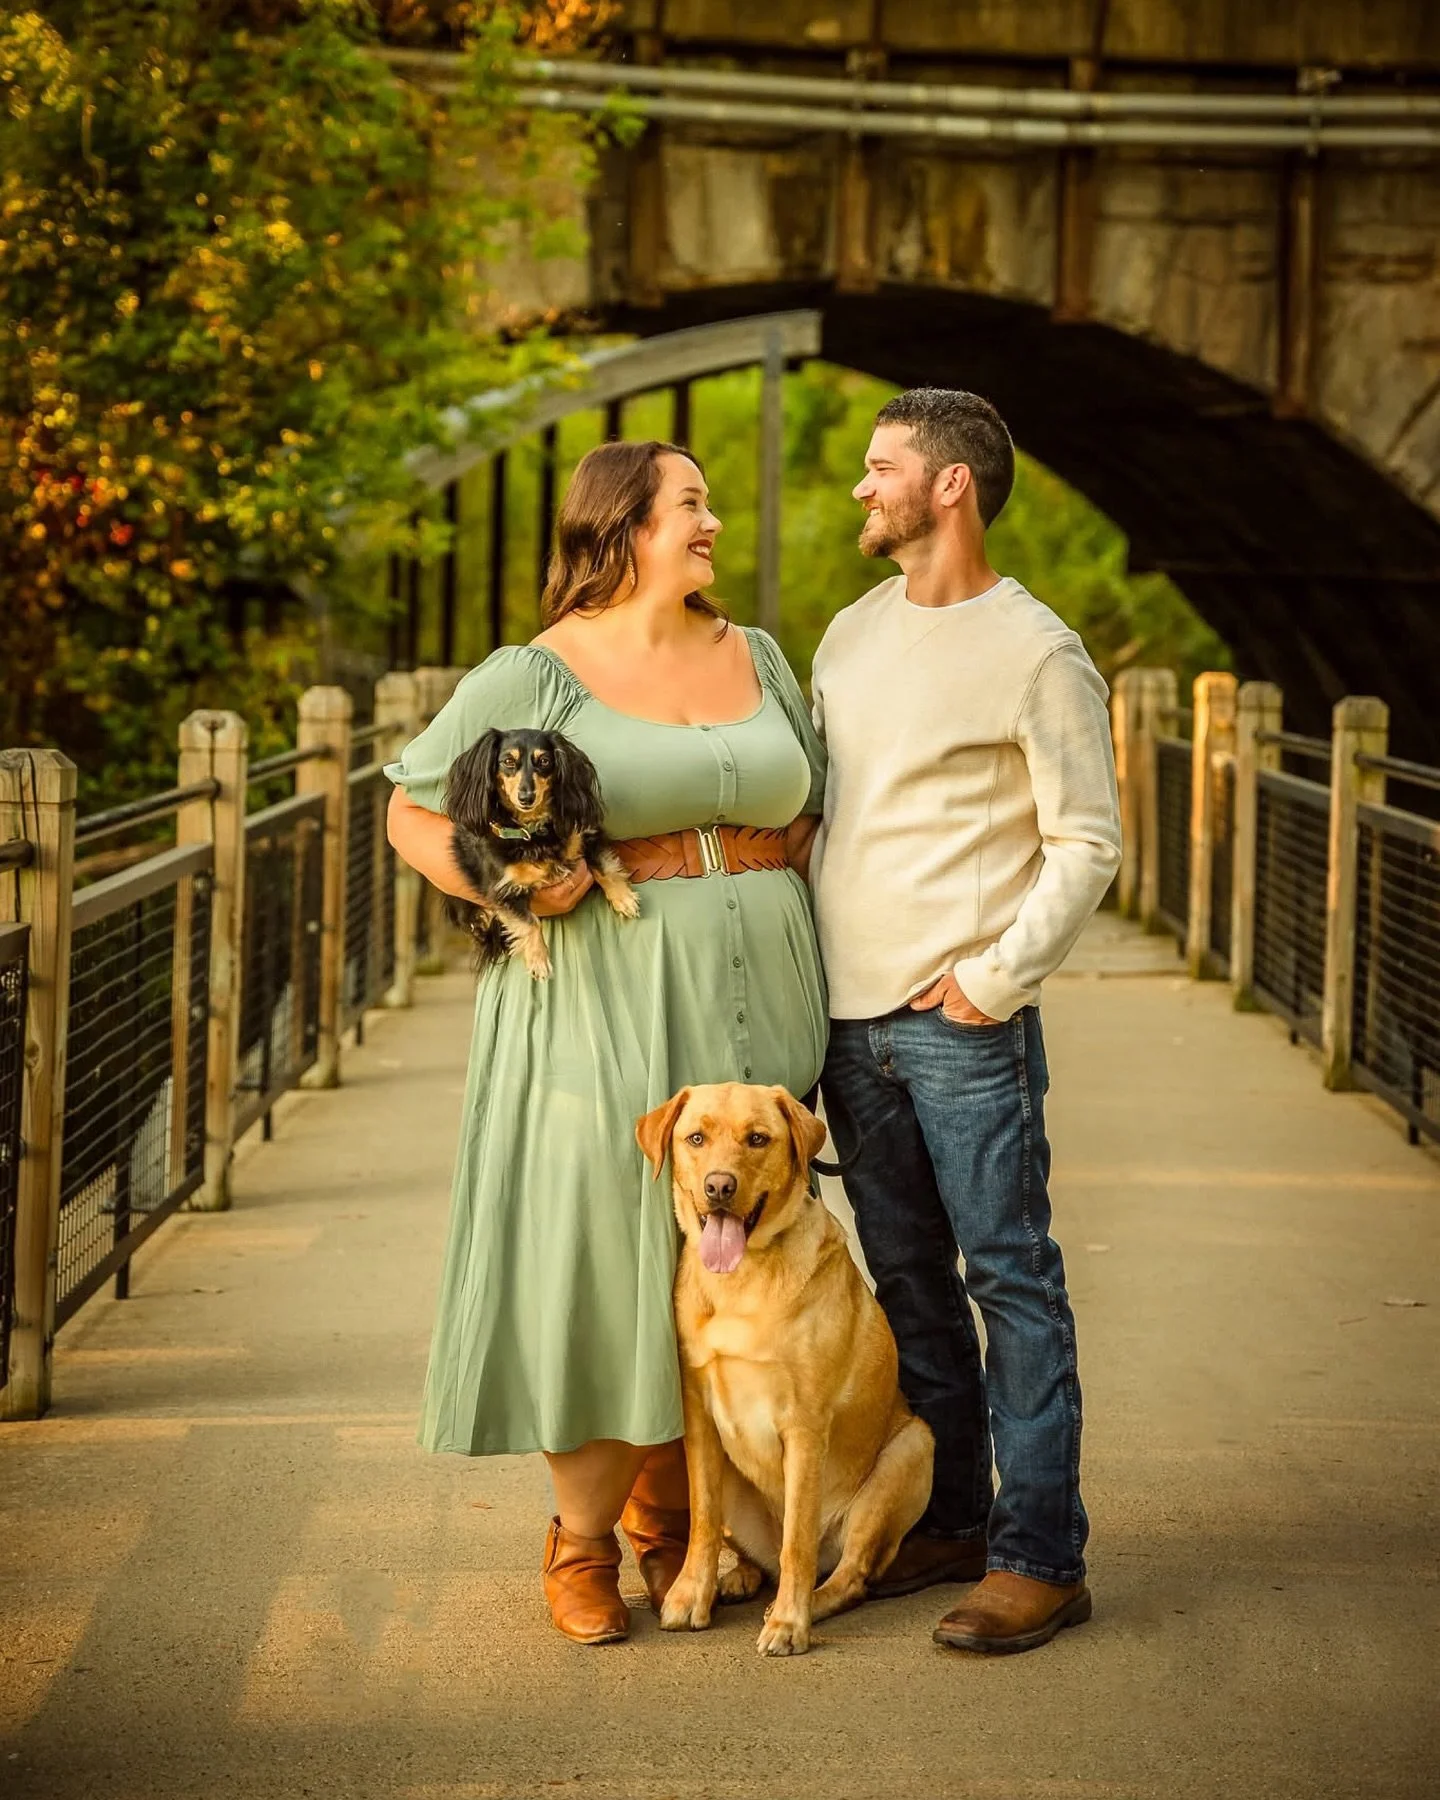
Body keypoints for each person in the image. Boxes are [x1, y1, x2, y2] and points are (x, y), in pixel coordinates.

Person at [384, 440, 827, 1646]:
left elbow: (816, 802)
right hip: (597, 1012)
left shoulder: (761, 657)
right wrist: (508, 897)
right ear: (623, 525)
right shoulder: (541, 671)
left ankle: (671, 1511)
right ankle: (580, 1538)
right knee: (605, 1264)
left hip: (758, 1014)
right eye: (691, 505)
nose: (714, 523)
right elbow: (412, 809)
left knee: (734, 1267)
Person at [810, 388, 1122, 1655]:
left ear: (951, 486)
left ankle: (1040, 1556)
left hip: (963, 1025)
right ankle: (946, 1519)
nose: (861, 489)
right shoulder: (846, 635)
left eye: (881, 469)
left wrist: (995, 980)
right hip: (848, 1022)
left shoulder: (1037, 650)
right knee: (910, 1287)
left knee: (1012, 1281)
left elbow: (1088, 842)